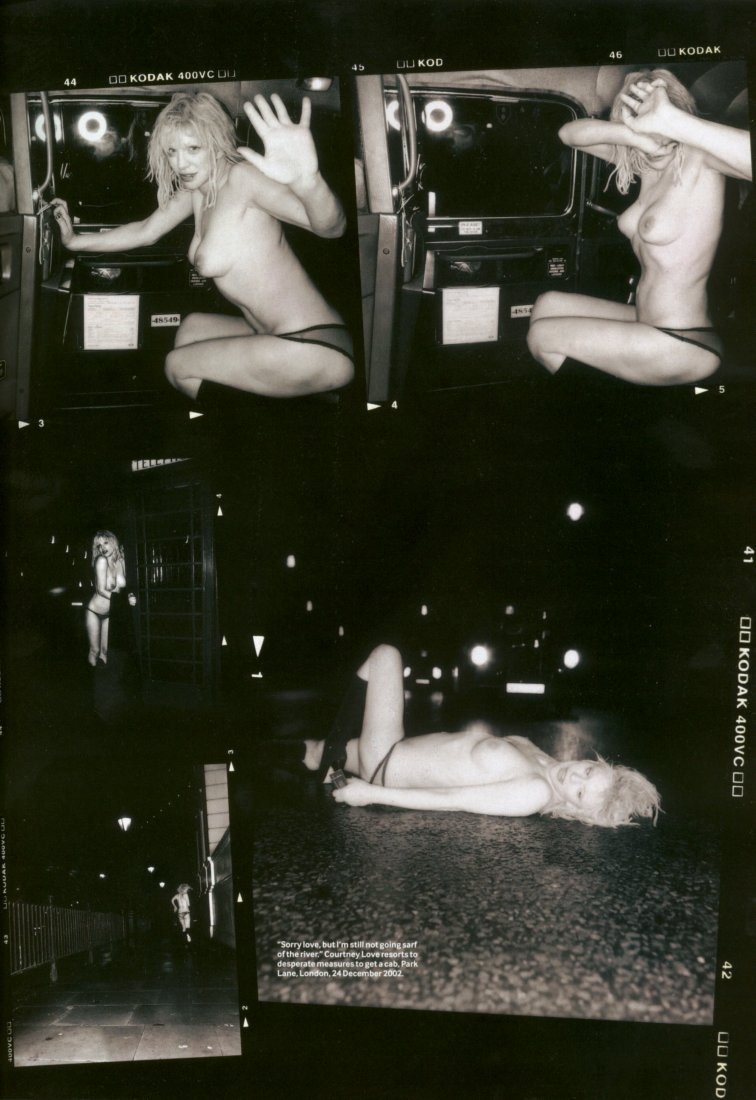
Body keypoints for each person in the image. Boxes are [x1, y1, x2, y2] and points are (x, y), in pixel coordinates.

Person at [51, 91, 353, 401]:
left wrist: (308, 182)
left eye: (193, 148)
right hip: (269, 331)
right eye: (172, 151)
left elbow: (332, 228)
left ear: (217, 141)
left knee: (178, 366)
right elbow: (145, 231)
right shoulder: (197, 189)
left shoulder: (242, 178)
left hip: (314, 343)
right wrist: (74, 241)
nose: (180, 163)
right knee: (191, 329)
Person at [526, 70, 752, 386]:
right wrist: (633, 136)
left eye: (651, 118)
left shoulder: (699, 160)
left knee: (543, 337)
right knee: (547, 304)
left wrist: (672, 122)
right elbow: (568, 134)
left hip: (682, 337)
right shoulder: (642, 163)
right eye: (633, 118)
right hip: (646, 319)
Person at [294, 645, 660, 827]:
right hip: (396, 745)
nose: (574, 777)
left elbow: (454, 800)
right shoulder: (544, 761)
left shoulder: (535, 792)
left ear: (574, 809)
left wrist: (370, 795)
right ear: (592, 762)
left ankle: (331, 758)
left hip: (384, 764)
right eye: (588, 772)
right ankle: (325, 758)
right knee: (309, 753)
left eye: (580, 793)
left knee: (385, 655)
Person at [86, 530, 136, 667]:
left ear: (113, 541)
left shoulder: (121, 561)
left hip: (110, 612)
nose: (102, 548)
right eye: (99, 545)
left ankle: (102, 678)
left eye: (106, 543)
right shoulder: (101, 561)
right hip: (94, 611)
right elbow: (101, 590)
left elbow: (126, 587)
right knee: (94, 651)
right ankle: (89, 677)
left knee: (105, 652)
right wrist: (123, 601)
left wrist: (130, 595)